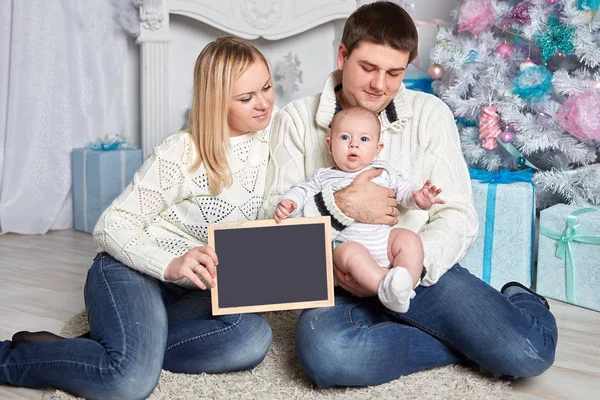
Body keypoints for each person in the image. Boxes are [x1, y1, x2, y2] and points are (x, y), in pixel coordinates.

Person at [260, 1, 557, 388]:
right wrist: (340, 207)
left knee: (527, 352)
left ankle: (520, 299)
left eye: (394, 73)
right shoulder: (296, 119)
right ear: (343, 55)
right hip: (341, 282)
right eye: (368, 68)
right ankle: (469, 345)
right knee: (328, 355)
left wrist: (409, 269)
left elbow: (457, 215)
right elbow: (270, 223)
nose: (379, 85)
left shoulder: (430, 114)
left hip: (416, 272)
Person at [1, 37, 275, 399]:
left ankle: (89, 347)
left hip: (197, 287)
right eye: (246, 97)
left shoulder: (275, 135)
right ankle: (9, 359)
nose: (264, 103)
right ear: (216, 101)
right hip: (133, 270)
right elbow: (110, 225)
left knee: (251, 335)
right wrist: (171, 263)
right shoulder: (182, 151)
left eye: (268, 87)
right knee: (128, 380)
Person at [275, 106, 445, 313]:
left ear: (378, 148)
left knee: (409, 239)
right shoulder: (323, 176)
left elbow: (404, 191)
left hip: (385, 243)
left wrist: (418, 198)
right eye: (345, 137)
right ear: (330, 145)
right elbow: (302, 190)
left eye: (364, 139)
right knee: (348, 252)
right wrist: (291, 201)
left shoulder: (383, 172)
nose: (354, 144)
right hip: (348, 245)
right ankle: (386, 287)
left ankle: (405, 286)